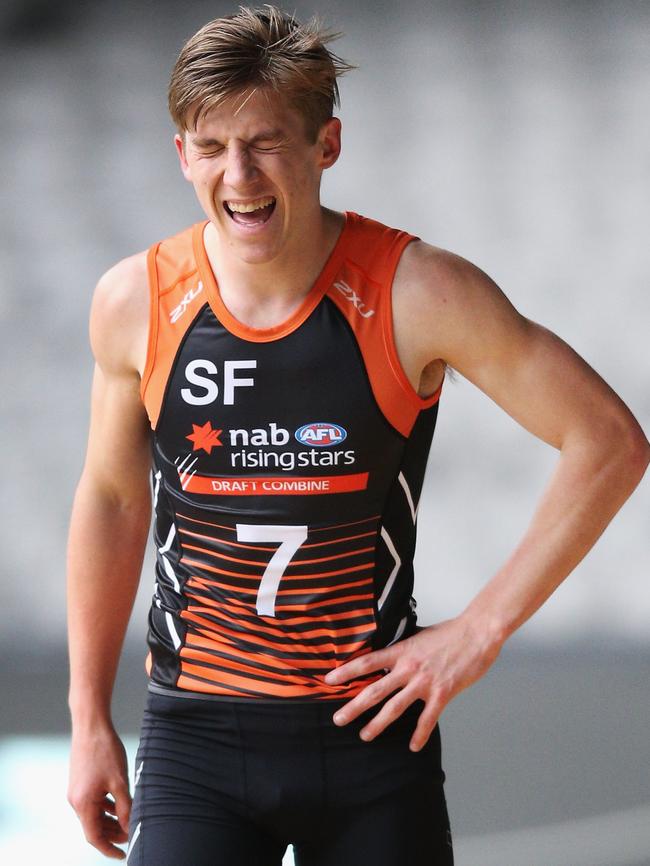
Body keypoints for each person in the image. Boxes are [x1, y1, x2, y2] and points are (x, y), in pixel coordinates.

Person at [66, 5, 649, 865]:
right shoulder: (136, 300)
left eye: (265, 142)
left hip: (369, 734)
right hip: (195, 737)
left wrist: (478, 630)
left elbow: (609, 441)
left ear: (325, 147)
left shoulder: (419, 292)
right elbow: (114, 500)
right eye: (213, 146)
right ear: (182, 154)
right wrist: (87, 719)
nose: (240, 174)